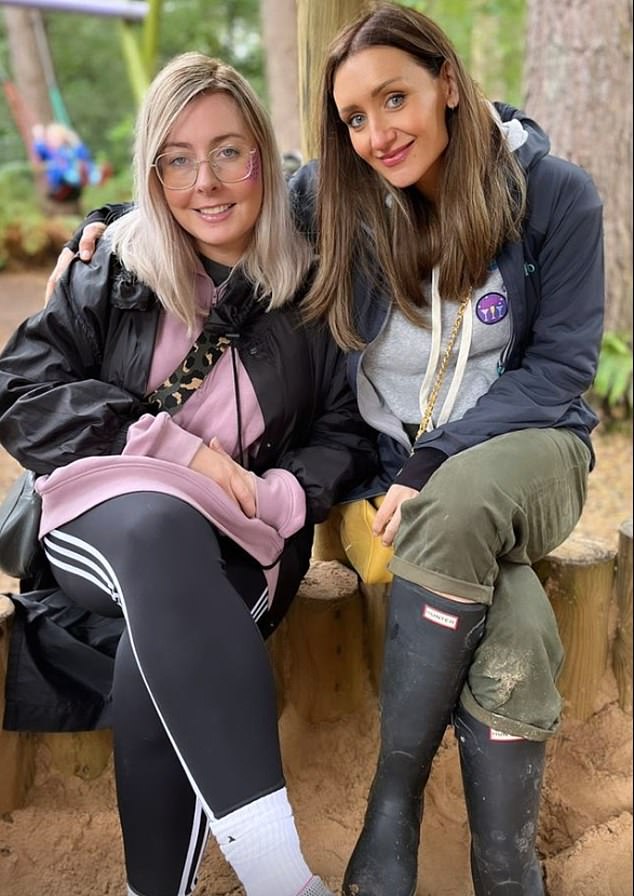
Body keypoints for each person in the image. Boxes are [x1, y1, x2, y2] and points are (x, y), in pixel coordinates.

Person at [45, 5, 605, 894]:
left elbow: (564, 366)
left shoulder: (553, 197)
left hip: (515, 452)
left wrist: (421, 462)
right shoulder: (335, 198)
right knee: (519, 616)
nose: (377, 133)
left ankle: (392, 808)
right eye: (354, 116)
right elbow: (212, 191)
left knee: (453, 507)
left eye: (396, 99)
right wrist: (120, 219)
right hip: (380, 478)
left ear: (449, 85)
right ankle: (505, 869)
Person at [0, 52, 377, 896]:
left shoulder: (310, 281)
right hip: (111, 516)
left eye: (227, 152)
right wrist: (177, 452)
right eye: (176, 158)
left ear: (262, 156)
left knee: (157, 644)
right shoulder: (114, 266)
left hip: (242, 538)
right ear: (152, 170)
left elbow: (342, 429)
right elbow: (20, 387)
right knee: (163, 528)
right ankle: (281, 875)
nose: (204, 182)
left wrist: (286, 497)